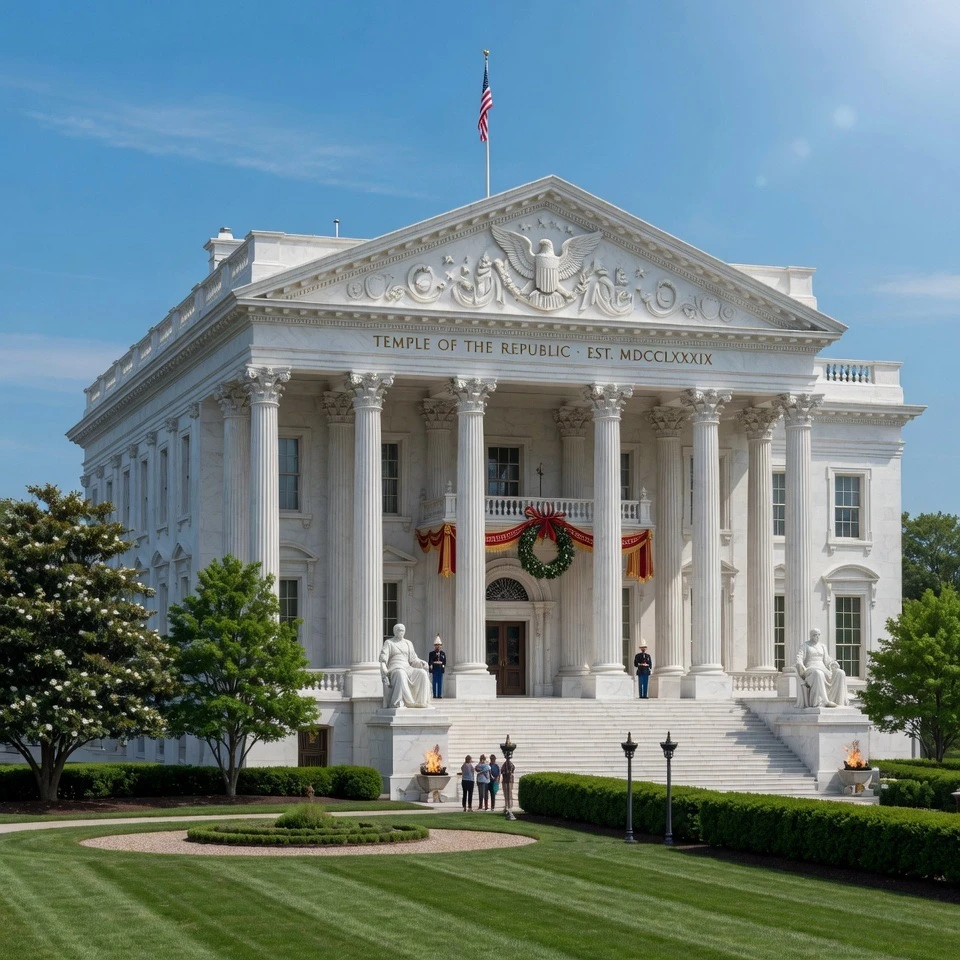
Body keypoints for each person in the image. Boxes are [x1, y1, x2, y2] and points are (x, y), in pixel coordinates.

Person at [378, 623, 430, 708]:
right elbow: (384, 657)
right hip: (395, 666)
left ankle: (421, 701)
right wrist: (384, 667)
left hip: (408, 667)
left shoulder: (408, 643)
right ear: (395, 632)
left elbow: (413, 659)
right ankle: (400, 702)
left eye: (403, 630)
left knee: (422, 673)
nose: (401, 632)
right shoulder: (389, 642)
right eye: (399, 630)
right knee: (400, 674)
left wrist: (422, 662)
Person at [796, 628, 849, 708]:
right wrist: (800, 664)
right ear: (811, 636)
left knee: (840, 673)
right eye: (814, 635)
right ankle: (823, 701)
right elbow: (799, 657)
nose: (816, 637)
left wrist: (833, 662)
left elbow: (827, 659)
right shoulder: (805, 645)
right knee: (818, 673)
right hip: (811, 668)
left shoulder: (823, 646)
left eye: (818, 635)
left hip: (823, 667)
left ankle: (839, 701)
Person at [427, 635, 446, 699]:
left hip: (440, 668)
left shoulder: (443, 653)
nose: (437, 646)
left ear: (441, 646)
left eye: (439, 645)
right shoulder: (431, 653)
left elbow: (444, 661)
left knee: (440, 682)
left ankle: (439, 694)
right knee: (434, 682)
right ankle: (434, 694)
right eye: (436, 645)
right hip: (435, 668)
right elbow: (430, 661)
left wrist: (443, 667)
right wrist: (431, 666)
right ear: (434, 646)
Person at [501, 753, 516, 820]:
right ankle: (506, 806)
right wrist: (505, 772)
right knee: (506, 794)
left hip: (509, 780)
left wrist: (509, 771)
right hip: (505, 780)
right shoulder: (505, 764)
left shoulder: (511, 764)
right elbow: (502, 771)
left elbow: (512, 770)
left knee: (509, 794)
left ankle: (509, 806)